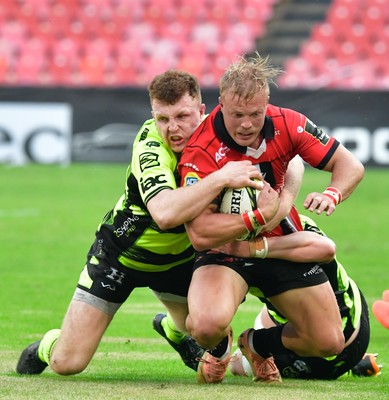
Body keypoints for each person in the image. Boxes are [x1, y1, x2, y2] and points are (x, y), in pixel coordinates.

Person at [16, 70, 265, 376]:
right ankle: (48, 345)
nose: (172, 128)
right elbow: (165, 214)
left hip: (180, 260)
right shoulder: (150, 147)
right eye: (163, 118)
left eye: (182, 116)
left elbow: (289, 157)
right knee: (67, 364)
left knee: (211, 329)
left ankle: (176, 331)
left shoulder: (224, 134)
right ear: (152, 116)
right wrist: (222, 178)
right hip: (122, 256)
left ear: (202, 112)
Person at [178, 53, 365, 384]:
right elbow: (200, 233)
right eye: (237, 115)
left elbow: (350, 165)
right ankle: (219, 349)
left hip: (277, 243)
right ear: (220, 103)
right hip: (225, 249)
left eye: (255, 114)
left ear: (267, 103)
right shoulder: (201, 148)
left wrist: (331, 193)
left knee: (328, 342)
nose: (247, 124)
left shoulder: (288, 123)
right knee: (205, 326)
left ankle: (256, 344)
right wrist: (257, 217)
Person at [228, 214, 381, 380]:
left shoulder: (294, 229)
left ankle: (256, 342)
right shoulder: (295, 222)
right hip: (353, 336)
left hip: (336, 343)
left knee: (236, 364)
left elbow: (326, 250)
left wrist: (253, 249)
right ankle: (355, 362)